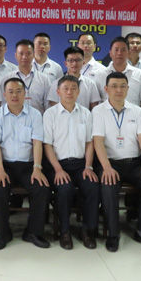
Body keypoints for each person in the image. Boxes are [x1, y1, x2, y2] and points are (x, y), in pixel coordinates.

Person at [93, 72, 141, 252]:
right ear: (106, 89)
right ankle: (113, 234)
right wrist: (106, 167)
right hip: (110, 163)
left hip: (134, 163)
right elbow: (98, 141)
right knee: (108, 186)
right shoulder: (98, 111)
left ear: (128, 88)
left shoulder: (136, 110)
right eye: (114, 86)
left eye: (122, 86)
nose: (118, 90)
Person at [0, 78, 51, 250]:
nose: (14, 95)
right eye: (11, 91)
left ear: (25, 94)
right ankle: (3, 233)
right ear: (4, 94)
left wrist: (37, 168)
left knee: (41, 188)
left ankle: (33, 232)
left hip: (28, 165)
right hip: (4, 165)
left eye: (18, 91)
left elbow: (37, 143)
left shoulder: (35, 115)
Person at [43, 75, 98, 250]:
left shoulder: (86, 113)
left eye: (73, 88)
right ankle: (64, 231)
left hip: (81, 164)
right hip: (57, 165)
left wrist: (88, 166)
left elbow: (89, 143)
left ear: (78, 92)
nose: (69, 92)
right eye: (65, 88)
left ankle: (87, 230)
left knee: (92, 186)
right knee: (64, 189)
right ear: (58, 92)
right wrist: (58, 169)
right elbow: (47, 145)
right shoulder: (50, 114)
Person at [94, 37, 141, 110]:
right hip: (106, 115)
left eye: (123, 50)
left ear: (128, 53)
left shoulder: (139, 74)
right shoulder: (99, 74)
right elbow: (95, 102)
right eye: (116, 50)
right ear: (110, 53)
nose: (119, 53)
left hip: (132, 115)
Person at [1, 39, 51, 114]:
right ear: (15, 55)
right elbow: (3, 105)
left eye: (28, 53)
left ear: (33, 55)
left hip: (37, 120)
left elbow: (48, 107)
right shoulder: (7, 79)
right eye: (21, 54)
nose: (24, 57)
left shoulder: (44, 79)